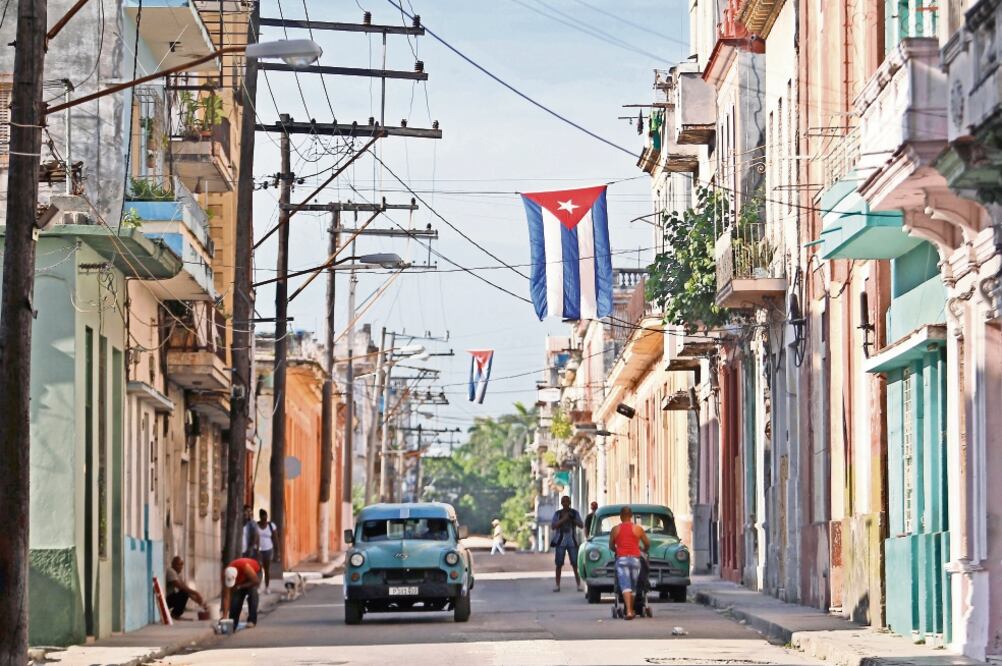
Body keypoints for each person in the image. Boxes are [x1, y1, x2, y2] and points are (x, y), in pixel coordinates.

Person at [609, 506, 650, 620]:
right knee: (633, 587)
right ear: (631, 516)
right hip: (635, 560)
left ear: (621, 516)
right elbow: (647, 543)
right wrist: (643, 550)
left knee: (625, 585)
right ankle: (631, 610)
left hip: (622, 560)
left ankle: (629, 611)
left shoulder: (615, 529)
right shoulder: (638, 529)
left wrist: (618, 550)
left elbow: (611, 546)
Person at [549, 495, 584, 592]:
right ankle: (557, 585)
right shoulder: (558, 514)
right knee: (559, 564)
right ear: (561, 503)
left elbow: (581, 525)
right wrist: (563, 519)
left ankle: (579, 584)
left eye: (567, 501)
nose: (565, 504)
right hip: (560, 542)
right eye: (563, 502)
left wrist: (572, 519)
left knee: (575, 563)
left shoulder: (574, 513)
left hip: (572, 541)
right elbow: (553, 526)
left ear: (569, 503)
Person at [222, 556, 261, 628]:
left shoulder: (245, 567)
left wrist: (241, 586)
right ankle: (233, 623)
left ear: (236, 576)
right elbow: (226, 597)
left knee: (252, 593)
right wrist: (224, 617)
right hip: (241, 580)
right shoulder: (226, 574)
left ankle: (252, 620)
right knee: (236, 600)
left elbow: (256, 581)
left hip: (254, 575)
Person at [256, 509, 279, 592]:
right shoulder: (256, 525)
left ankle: (267, 586)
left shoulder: (271, 525)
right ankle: (258, 586)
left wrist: (277, 551)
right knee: (258, 568)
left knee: (267, 569)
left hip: (268, 549)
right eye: (263, 518)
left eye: (265, 518)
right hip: (259, 550)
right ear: (260, 517)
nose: (264, 520)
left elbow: (275, 538)